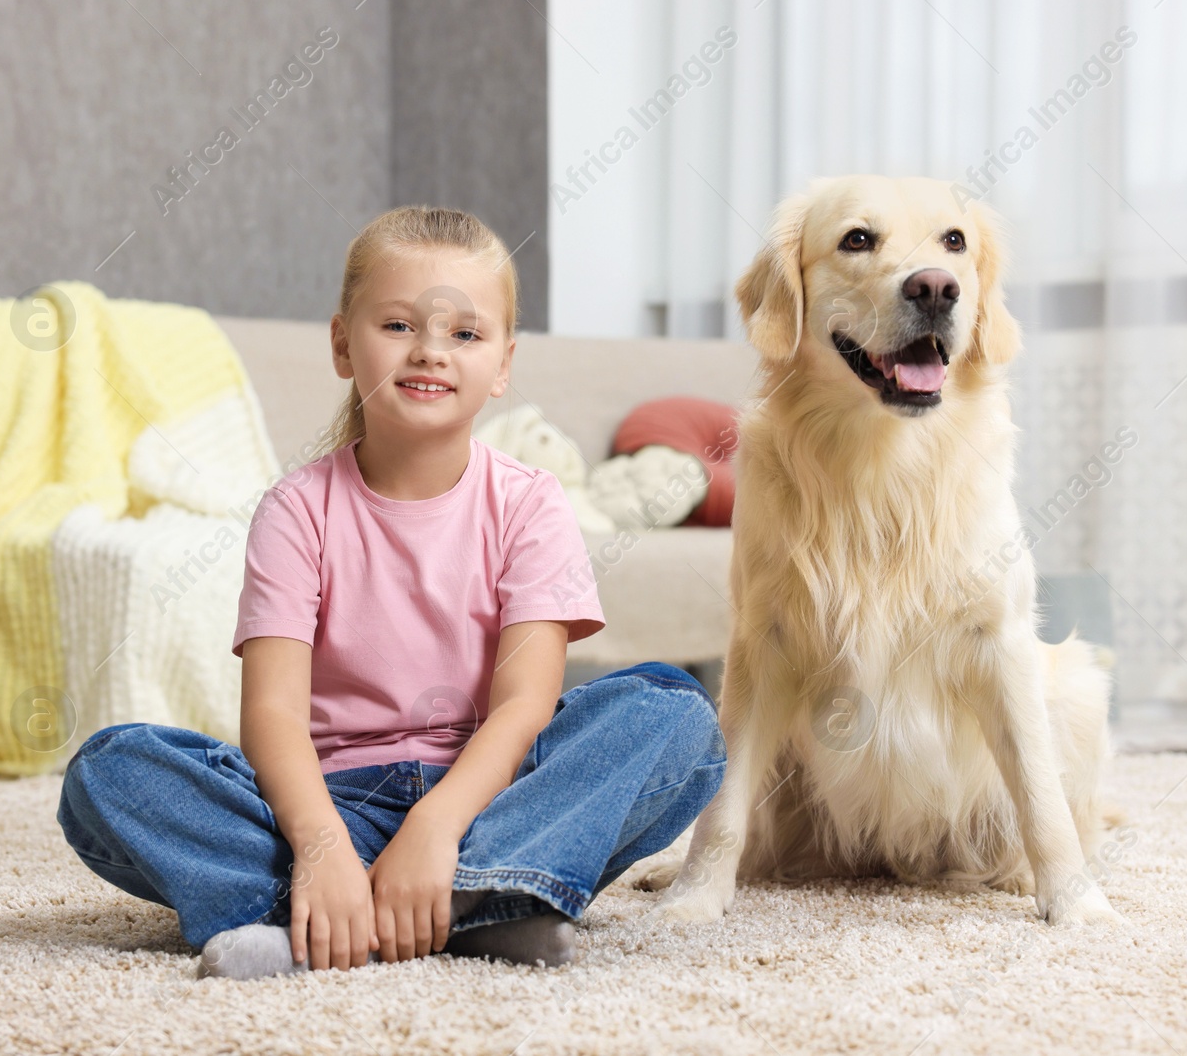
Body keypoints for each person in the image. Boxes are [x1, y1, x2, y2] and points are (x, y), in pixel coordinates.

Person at [55, 205, 727, 980]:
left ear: (504, 362)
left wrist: (437, 830)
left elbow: (524, 706)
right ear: (343, 343)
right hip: (327, 806)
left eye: (465, 335)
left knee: (673, 713)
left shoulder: (530, 502)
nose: (431, 352)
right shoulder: (296, 509)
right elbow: (271, 712)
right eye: (399, 326)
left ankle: (365, 914)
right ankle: (467, 911)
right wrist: (320, 846)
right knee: (111, 770)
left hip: (486, 804)